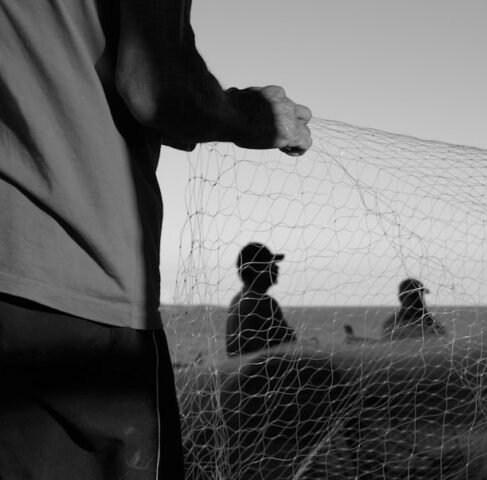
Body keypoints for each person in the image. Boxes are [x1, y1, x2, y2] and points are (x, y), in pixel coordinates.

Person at [0, 1, 311, 479]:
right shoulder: (258, 309)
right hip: (82, 290)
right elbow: (157, 89)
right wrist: (255, 116)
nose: (275, 270)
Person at [226, 242, 296, 356]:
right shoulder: (264, 303)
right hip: (259, 372)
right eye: (271, 263)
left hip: (240, 371)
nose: (276, 267)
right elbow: (290, 344)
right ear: (256, 269)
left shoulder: (236, 300)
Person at [381, 278, 447, 339]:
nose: (418, 300)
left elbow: (443, 335)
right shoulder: (391, 324)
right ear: (401, 298)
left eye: (420, 295)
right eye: (413, 296)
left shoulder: (430, 321)